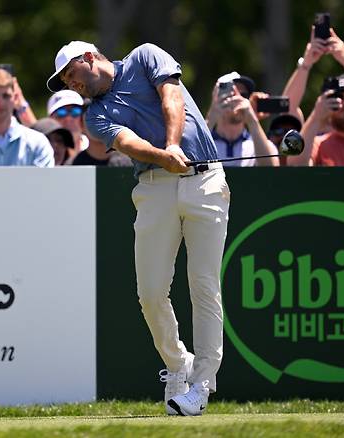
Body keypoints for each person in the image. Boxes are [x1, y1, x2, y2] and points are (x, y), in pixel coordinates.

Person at [48, 40, 229, 415]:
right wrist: (164, 156)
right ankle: (179, 363)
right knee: (149, 292)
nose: (71, 85)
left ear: (88, 58)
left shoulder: (145, 55)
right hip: (153, 185)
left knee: (204, 286)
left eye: (71, 75)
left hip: (204, 180)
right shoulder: (94, 116)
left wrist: (174, 144)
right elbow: (129, 142)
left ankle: (201, 387)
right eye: (66, 82)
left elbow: (172, 97)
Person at [204, 72, 279, 166]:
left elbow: (271, 169)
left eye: (244, 95)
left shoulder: (258, 144)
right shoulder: (206, 144)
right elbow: (190, 157)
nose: (238, 99)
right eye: (231, 94)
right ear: (217, 98)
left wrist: (252, 120)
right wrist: (211, 117)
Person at [47, 89, 89, 154]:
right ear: (50, 119)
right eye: (61, 112)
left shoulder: (97, 146)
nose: (69, 118)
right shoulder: (44, 151)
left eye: (75, 111)